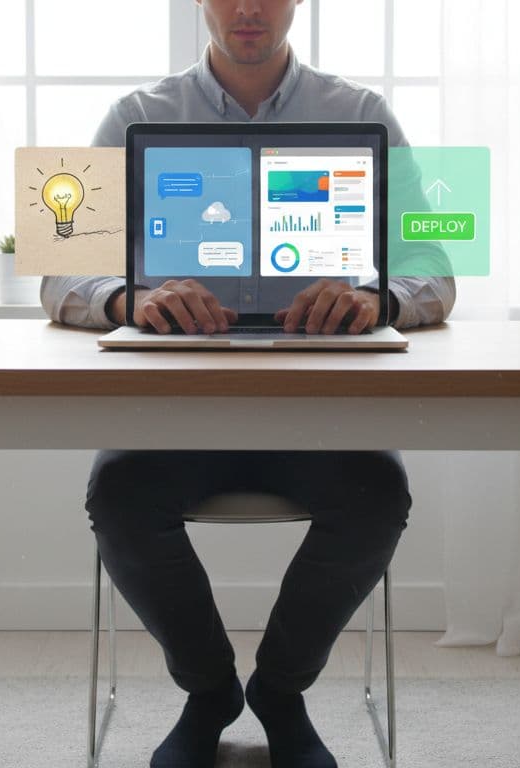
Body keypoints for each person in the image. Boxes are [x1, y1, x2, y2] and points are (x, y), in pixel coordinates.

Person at [41, 2, 455, 766]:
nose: (248, 7)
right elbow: (60, 268)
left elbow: (437, 267)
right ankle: (209, 692)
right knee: (121, 495)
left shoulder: (361, 112)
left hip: (320, 412)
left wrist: (380, 299)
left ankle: (279, 691)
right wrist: (130, 299)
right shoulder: (136, 115)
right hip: (179, 411)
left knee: (376, 497)